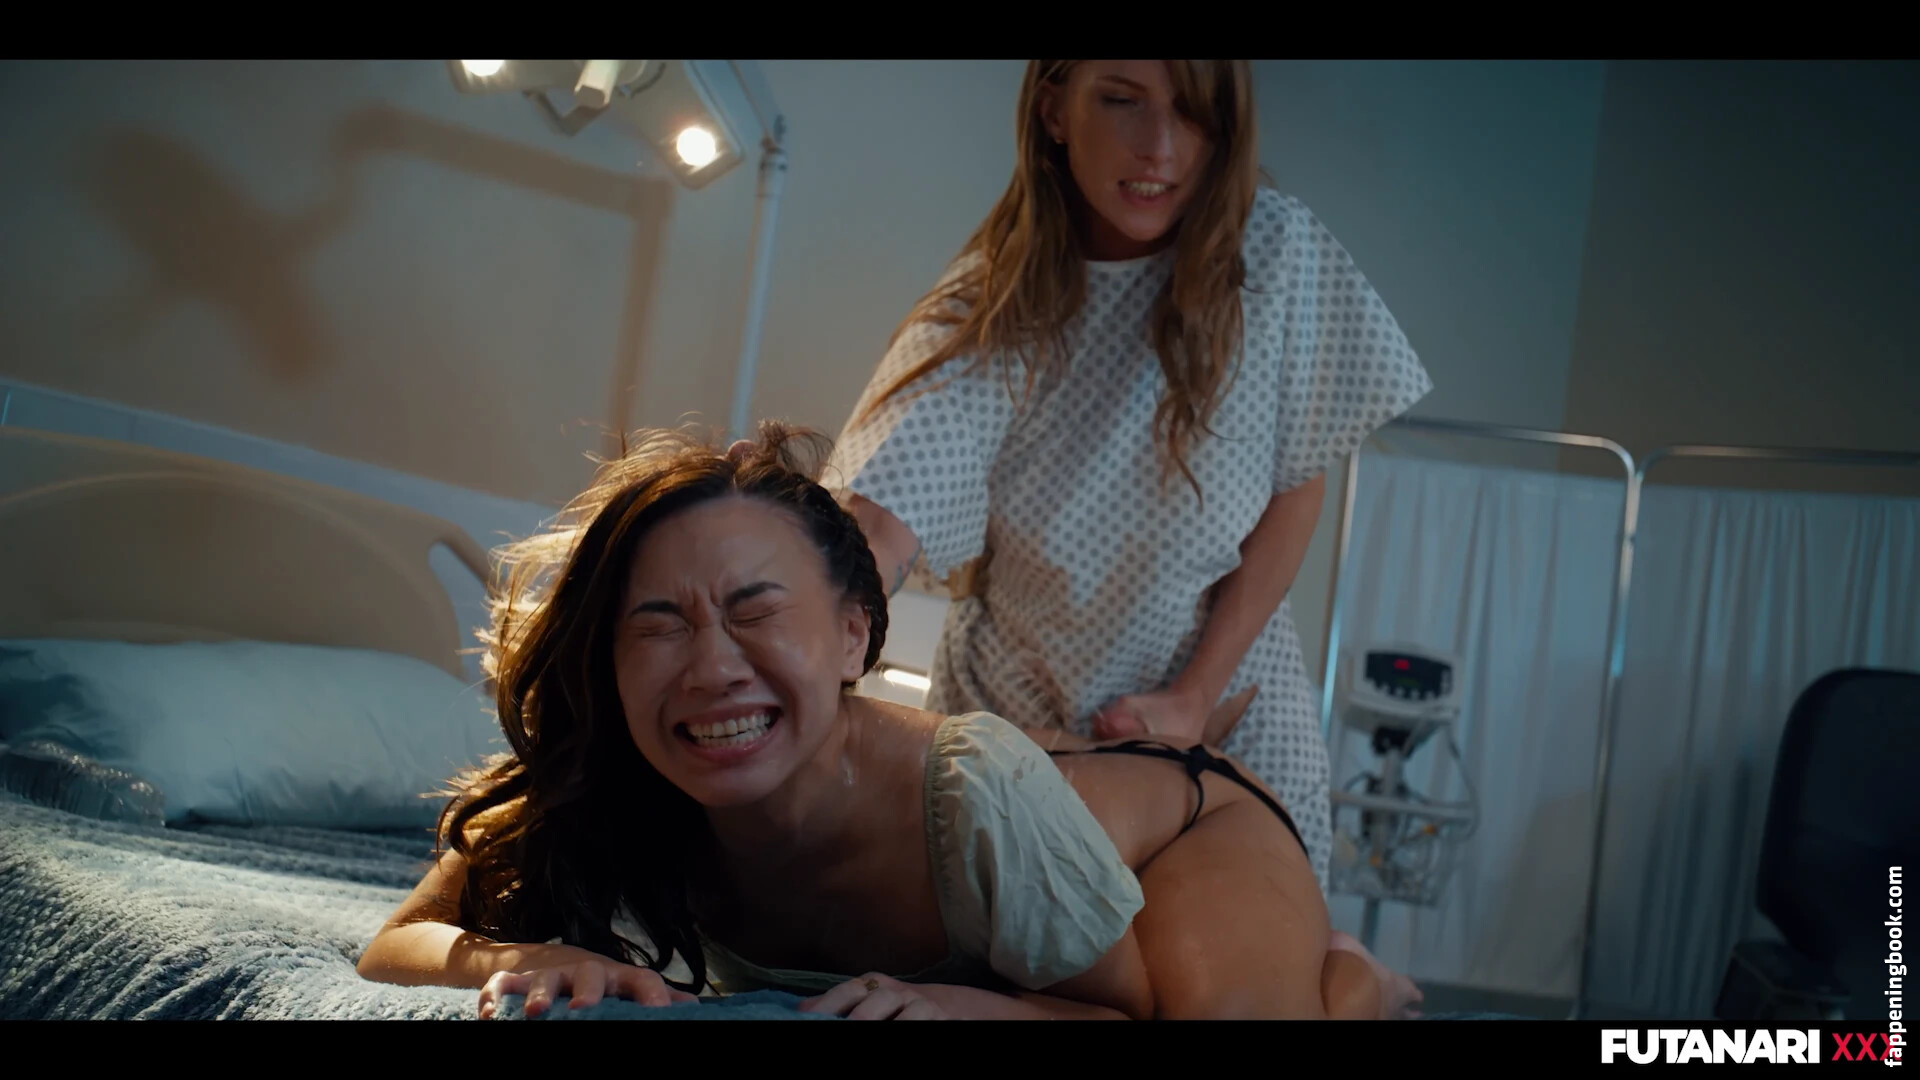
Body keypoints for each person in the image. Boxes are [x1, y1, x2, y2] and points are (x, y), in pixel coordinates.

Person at [353, 427, 1421, 1020]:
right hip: (1046, 841)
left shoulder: (976, 797)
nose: (711, 669)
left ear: (853, 636)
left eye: (756, 612)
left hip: (1186, 826)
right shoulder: (614, 785)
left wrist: (972, 1012)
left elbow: (1118, 1014)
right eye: (659, 624)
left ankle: (1355, 981)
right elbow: (396, 943)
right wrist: (523, 954)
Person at [826, 59, 1433, 892]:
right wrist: (822, 628)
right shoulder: (994, 303)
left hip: (1225, 705)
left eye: (1192, 113)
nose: (1160, 148)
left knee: (1263, 956)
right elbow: (887, 512)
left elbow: (1296, 483)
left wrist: (1194, 697)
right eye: (1121, 100)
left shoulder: (1275, 255)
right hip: (1023, 712)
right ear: (1054, 110)